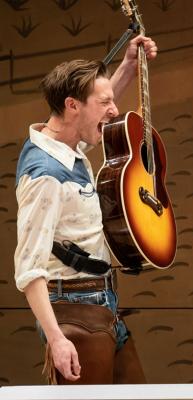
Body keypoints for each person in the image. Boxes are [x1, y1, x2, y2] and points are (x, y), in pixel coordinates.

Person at [14, 35, 157, 384]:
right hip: (74, 314)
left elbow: (97, 112)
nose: (114, 110)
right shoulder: (45, 176)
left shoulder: (66, 144)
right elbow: (28, 271)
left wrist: (128, 66)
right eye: (104, 102)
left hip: (101, 306)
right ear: (72, 106)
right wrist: (57, 339)